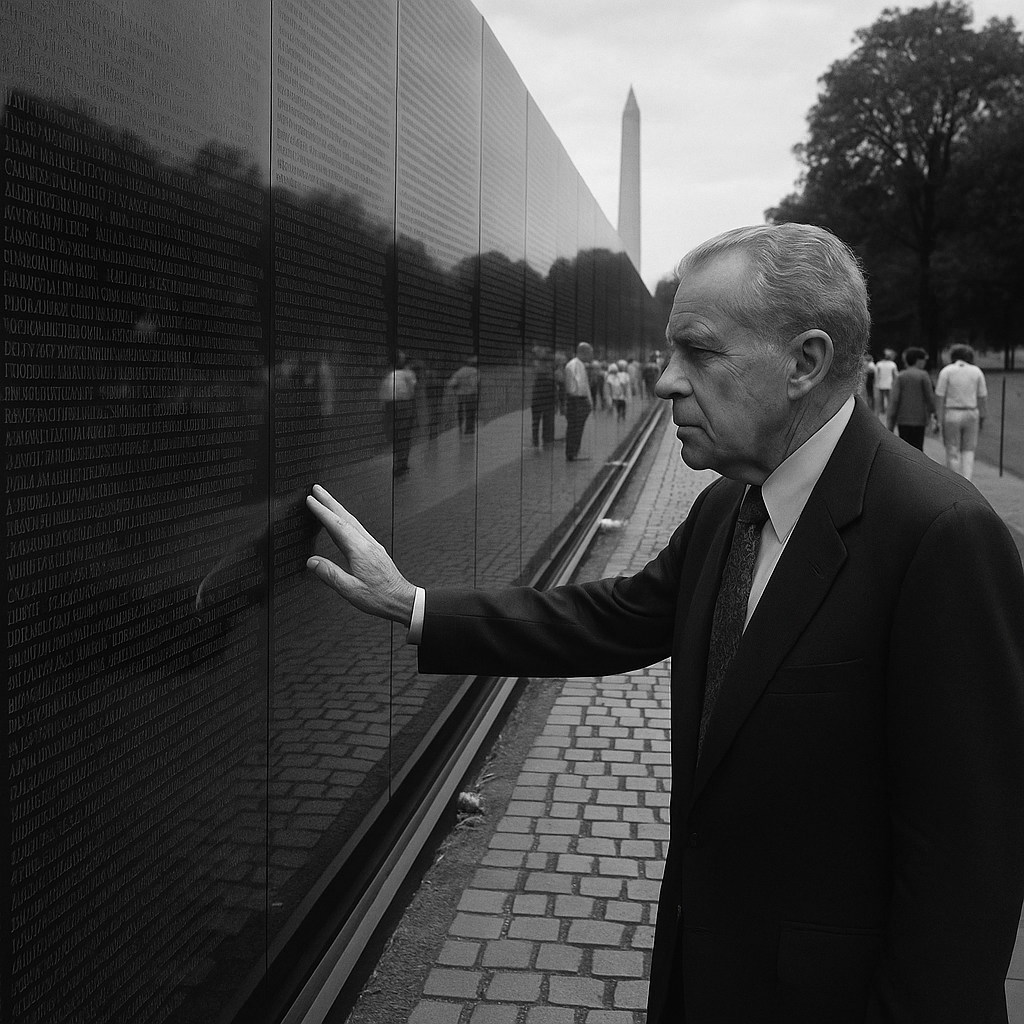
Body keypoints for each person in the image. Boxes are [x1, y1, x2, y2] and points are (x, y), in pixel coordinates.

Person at [307, 223, 1024, 1023]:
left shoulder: (939, 535)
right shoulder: (729, 505)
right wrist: (412, 603)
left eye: (700, 352)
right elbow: (610, 617)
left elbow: (967, 873)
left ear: (806, 363)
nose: (664, 383)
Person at [936, 344, 988, 481]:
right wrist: (982, 416)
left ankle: (955, 481)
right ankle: (967, 480)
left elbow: (940, 396)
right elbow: (982, 397)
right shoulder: (976, 371)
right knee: (969, 449)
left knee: (952, 449)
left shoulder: (947, 371)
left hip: (952, 412)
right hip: (971, 412)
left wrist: (939, 418)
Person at [885, 346, 935, 450]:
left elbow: (894, 400)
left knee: (905, 449)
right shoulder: (924, 375)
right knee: (918, 449)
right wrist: (933, 413)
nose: (925, 363)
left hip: (903, 419)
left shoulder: (901, 376)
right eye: (924, 360)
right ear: (918, 360)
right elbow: (930, 397)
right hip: (919, 419)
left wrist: (891, 421)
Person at [379, 353, 417, 475]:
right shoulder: (407, 374)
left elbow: (383, 396)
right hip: (404, 405)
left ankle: (398, 463)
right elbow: (412, 391)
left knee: (397, 436)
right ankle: (402, 463)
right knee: (404, 436)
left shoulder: (388, 376)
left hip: (391, 406)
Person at [562, 341, 593, 461]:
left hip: (580, 401)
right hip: (576, 401)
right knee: (574, 428)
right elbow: (573, 387)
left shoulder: (580, 365)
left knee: (577, 428)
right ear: (584, 353)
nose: (591, 356)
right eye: (590, 353)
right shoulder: (572, 366)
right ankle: (572, 453)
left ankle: (574, 452)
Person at [446, 354, 479, 436]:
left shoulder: (459, 371)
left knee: (460, 411)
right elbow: (473, 383)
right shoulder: (474, 371)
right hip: (470, 394)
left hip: (460, 395)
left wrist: (457, 388)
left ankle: (460, 427)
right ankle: (469, 429)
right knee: (470, 412)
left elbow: (452, 383)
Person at [530, 349, 556, 448]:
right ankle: (542, 441)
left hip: (539, 400)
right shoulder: (548, 375)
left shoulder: (540, 373)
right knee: (542, 423)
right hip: (544, 401)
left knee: (537, 423)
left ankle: (537, 441)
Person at [873, 348, 898, 415]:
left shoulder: (879, 364)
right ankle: (889, 411)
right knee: (889, 398)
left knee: (880, 399)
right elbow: (895, 375)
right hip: (890, 384)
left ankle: (881, 411)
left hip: (880, 383)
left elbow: (876, 375)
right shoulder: (892, 364)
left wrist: (876, 383)